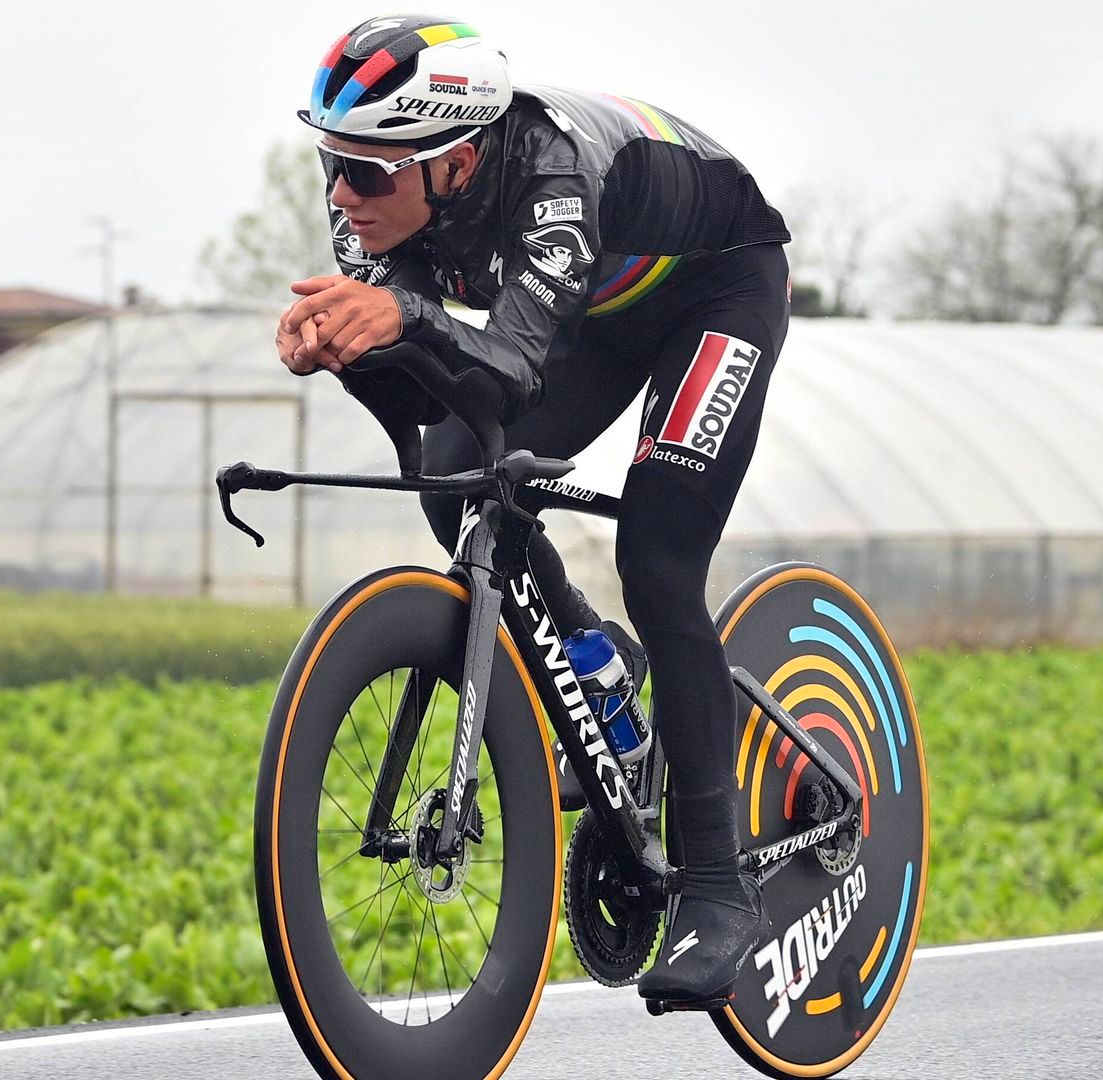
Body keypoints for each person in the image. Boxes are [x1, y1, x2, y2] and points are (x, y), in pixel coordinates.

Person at [274, 15, 792, 1005]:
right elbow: (426, 404)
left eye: (368, 173)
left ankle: (719, 890)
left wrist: (403, 317)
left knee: (658, 559)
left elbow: (508, 363)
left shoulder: (551, 180)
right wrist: (342, 350)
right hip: (597, 306)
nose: (342, 195)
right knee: (457, 481)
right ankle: (600, 663)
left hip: (717, 286)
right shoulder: (378, 202)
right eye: (332, 163)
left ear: (458, 161)